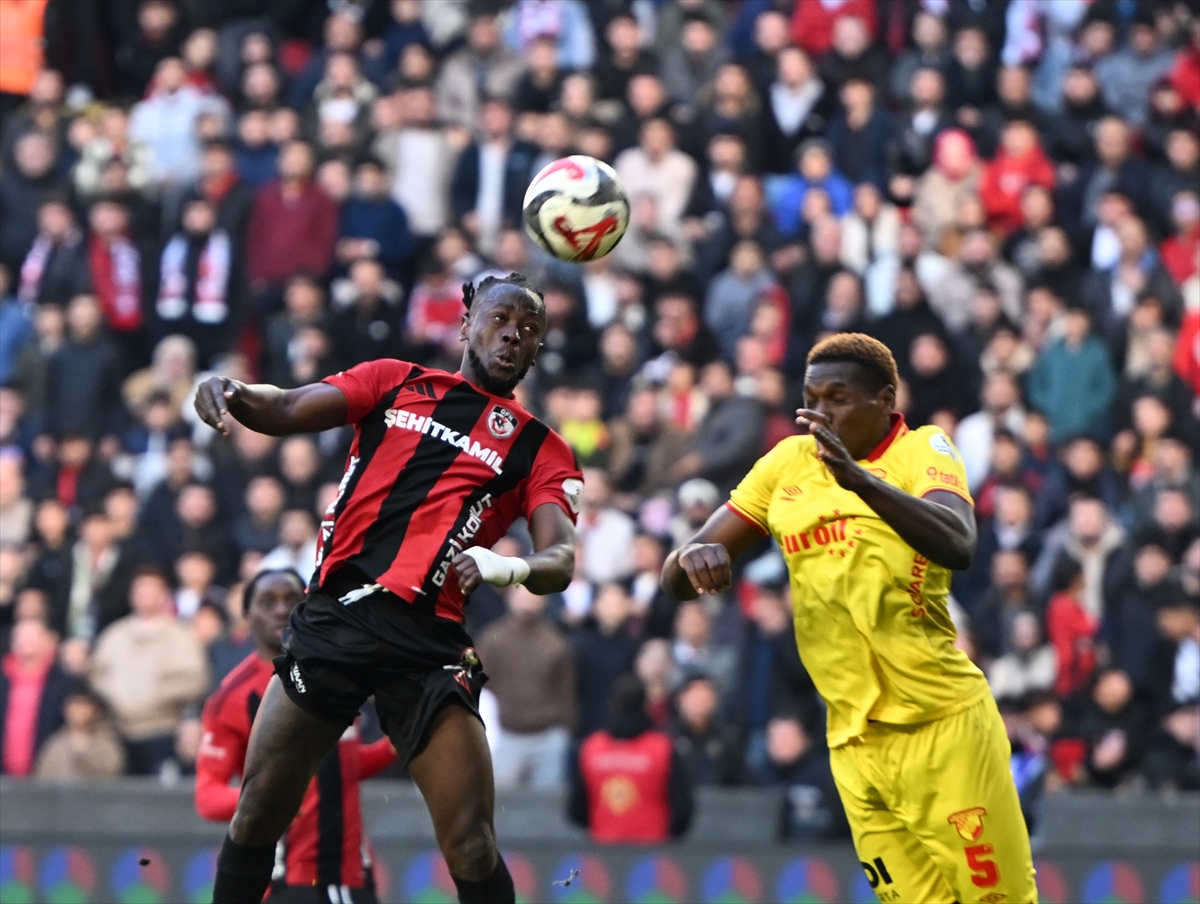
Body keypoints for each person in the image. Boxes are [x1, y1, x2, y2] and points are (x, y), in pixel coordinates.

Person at [194, 273, 582, 904]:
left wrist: (507, 568)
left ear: (538, 350)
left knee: (472, 844)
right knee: (259, 808)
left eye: (529, 329)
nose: (513, 334)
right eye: (500, 319)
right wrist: (234, 391)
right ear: (466, 324)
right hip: (336, 618)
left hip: (429, 643)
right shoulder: (395, 381)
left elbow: (560, 558)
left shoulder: (542, 448)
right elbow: (285, 407)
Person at [662, 333, 1037, 902]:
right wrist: (692, 558)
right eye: (810, 398)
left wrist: (859, 480)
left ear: (884, 401)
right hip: (853, 742)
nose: (820, 413)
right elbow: (677, 572)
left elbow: (959, 541)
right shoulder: (787, 463)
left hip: (940, 726)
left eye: (837, 398)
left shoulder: (924, 449)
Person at [196, 568, 395, 902]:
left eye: (291, 599)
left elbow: (341, 763)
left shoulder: (340, 675)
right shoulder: (234, 696)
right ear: (247, 616)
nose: (280, 609)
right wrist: (271, 796)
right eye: (267, 601)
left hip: (352, 869)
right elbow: (207, 796)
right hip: (283, 874)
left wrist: (392, 748)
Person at [567, 673, 693, 843]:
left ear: (611, 704)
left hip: (604, 850)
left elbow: (576, 810)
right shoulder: (662, 749)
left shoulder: (591, 749)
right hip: (652, 851)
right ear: (646, 706)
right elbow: (683, 809)